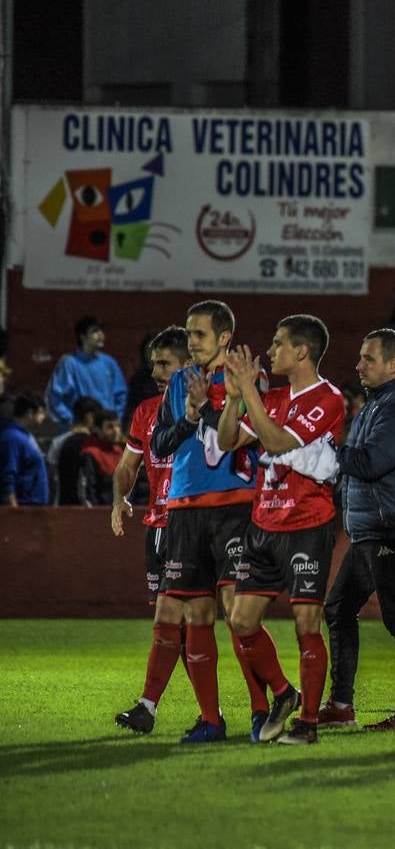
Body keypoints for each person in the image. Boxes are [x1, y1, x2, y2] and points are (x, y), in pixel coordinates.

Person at [216, 315, 346, 746]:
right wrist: (235, 398)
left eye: (277, 344)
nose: (270, 352)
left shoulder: (327, 399)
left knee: (306, 621)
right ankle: (283, 692)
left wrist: (249, 391)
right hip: (263, 522)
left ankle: (307, 723)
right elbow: (227, 442)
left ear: (301, 352)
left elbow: (275, 443)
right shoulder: (268, 397)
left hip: (307, 524)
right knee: (241, 619)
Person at [141, 300, 265, 744]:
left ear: (224, 337)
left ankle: (262, 709)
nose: (191, 342)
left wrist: (211, 406)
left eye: (199, 335)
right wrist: (190, 412)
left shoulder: (248, 376)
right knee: (193, 612)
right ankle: (211, 719)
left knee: (237, 614)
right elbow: (161, 442)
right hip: (183, 506)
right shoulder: (178, 383)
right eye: (189, 334)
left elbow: (237, 436)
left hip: (234, 504)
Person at [312, 329, 395, 731]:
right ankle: (342, 703)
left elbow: (370, 463)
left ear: (392, 366)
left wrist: (322, 451)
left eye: (368, 358)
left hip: (392, 529)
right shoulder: (378, 404)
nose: (358, 365)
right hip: (373, 528)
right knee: (339, 607)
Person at [111, 326, 191, 734]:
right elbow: (128, 465)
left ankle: (269, 699)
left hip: (193, 524)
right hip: (158, 527)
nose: (157, 370)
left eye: (165, 363)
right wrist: (118, 499)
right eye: (154, 363)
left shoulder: (202, 408)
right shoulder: (145, 411)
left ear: (187, 365)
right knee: (175, 621)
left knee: (212, 618)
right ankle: (151, 706)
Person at [46, 314, 127, 428]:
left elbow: (121, 395)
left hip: (105, 430)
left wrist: (114, 420)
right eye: (95, 331)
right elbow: (55, 398)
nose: (101, 335)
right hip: (81, 430)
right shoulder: (69, 363)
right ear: (82, 336)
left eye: (101, 331)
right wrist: (72, 421)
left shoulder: (109, 363)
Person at [51, 396, 102, 505]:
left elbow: (53, 476)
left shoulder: (58, 441)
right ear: (89, 417)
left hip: (63, 502)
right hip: (85, 505)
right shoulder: (92, 443)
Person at [0, 393, 49, 505]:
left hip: (34, 508)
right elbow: (8, 476)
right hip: (24, 508)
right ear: (30, 413)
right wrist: (13, 508)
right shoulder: (12, 438)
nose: (43, 417)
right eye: (41, 413)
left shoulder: (26, 436)